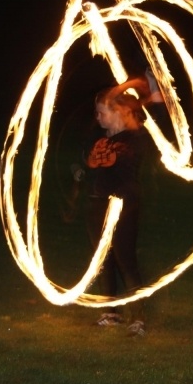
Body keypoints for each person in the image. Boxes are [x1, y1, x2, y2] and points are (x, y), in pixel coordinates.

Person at [71, 71, 165, 337]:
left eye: (102, 112)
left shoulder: (135, 137)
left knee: (125, 259)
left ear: (120, 112)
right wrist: (77, 170)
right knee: (104, 260)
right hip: (97, 204)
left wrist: (140, 84)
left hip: (124, 205)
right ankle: (110, 312)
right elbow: (84, 160)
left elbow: (157, 111)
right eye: (97, 112)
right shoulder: (97, 136)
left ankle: (138, 317)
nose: (98, 117)